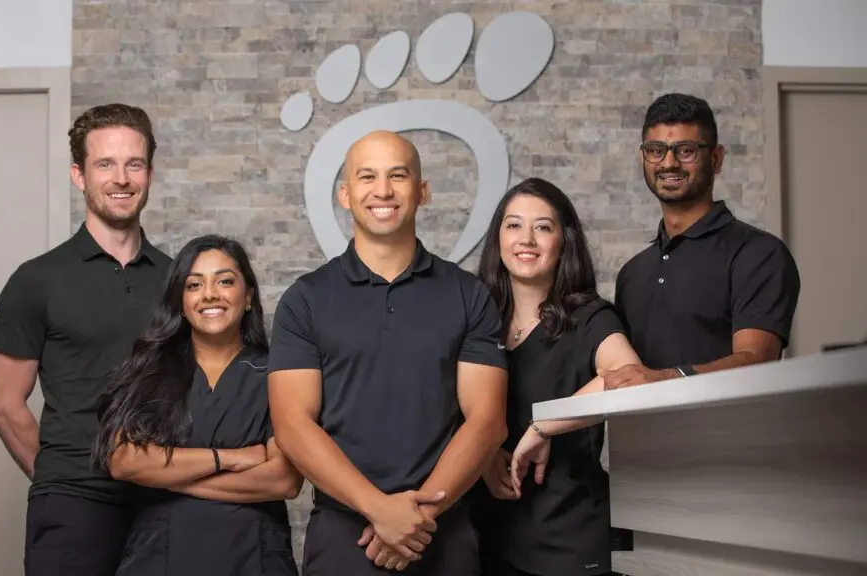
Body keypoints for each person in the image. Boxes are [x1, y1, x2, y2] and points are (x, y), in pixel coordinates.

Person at [267, 130, 509, 576]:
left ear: (422, 192)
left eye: (398, 175)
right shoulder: (306, 299)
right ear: (345, 194)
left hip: (443, 531)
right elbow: (292, 425)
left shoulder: (469, 295)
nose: (382, 190)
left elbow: (487, 421)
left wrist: (418, 519)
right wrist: (379, 510)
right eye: (367, 177)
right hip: (344, 534)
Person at [0, 103, 172, 575]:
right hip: (72, 507)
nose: (121, 178)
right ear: (79, 175)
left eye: (134, 164)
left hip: (166, 504)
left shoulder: (178, 280)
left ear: (149, 174)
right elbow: (5, 405)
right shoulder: (36, 281)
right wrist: (60, 480)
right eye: (104, 164)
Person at [91, 234, 303, 576]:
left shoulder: (277, 374)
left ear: (248, 296)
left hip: (252, 558)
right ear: (180, 300)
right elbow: (124, 462)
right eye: (194, 285)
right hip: (160, 558)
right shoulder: (149, 371)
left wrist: (166, 475)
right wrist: (231, 458)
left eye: (225, 281)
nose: (210, 295)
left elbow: (282, 480)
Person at [467, 178, 644, 576]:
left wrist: (543, 426)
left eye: (543, 227)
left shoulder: (590, 318)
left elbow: (630, 377)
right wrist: (481, 456)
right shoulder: (477, 320)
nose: (526, 238)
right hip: (486, 538)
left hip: (567, 541)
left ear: (564, 242)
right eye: (513, 225)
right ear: (497, 238)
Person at [607, 93, 801, 389]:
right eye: (656, 150)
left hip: (728, 434)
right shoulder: (631, 275)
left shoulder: (758, 254)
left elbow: (756, 360)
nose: (668, 163)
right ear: (643, 157)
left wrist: (669, 377)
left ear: (716, 158)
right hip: (641, 435)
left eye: (685, 150)